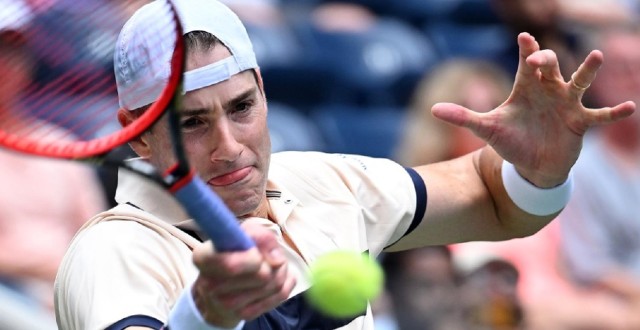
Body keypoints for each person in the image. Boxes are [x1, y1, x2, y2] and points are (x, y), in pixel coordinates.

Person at [53, 0, 636, 330]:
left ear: (261, 88)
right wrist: (202, 316)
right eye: (192, 122)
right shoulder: (114, 252)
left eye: (241, 107)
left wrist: (537, 168)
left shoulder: (324, 183)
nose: (229, 145)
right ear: (140, 135)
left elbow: (492, 198)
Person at [0, 0, 107, 328]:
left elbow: (97, 238)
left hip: (71, 294)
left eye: (14, 50)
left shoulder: (62, 144)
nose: (5, 63)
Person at [393, 58, 513, 167]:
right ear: (438, 123)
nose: (484, 122)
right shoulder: (411, 185)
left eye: (494, 108)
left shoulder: (520, 185)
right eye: (466, 109)